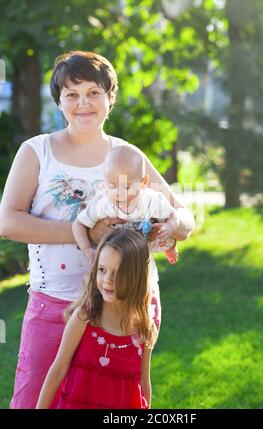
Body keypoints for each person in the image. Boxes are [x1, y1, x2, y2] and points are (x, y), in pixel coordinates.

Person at [0, 50, 195, 409]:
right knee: (33, 399)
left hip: (127, 306)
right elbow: (8, 222)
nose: (83, 103)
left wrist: (173, 227)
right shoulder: (37, 151)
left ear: (110, 98)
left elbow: (184, 217)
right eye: (71, 94)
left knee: (115, 401)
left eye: (93, 92)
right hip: (56, 302)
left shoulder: (127, 154)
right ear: (58, 101)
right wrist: (87, 234)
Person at [36, 228, 156, 409]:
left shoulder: (144, 327)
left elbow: (144, 382)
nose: (108, 279)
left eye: (118, 272)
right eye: (102, 269)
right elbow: (58, 369)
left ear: (136, 277)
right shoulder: (85, 317)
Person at [72, 144, 179, 265]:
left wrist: (169, 227)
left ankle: (170, 248)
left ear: (143, 182)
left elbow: (173, 216)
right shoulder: (104, 203)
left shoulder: (151, 200)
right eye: (112, 186)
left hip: (147, 238)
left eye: (127, 187)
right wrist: (87, 250)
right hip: (119, 245)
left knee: (163, 237)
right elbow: (78, 224)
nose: (118, 193)